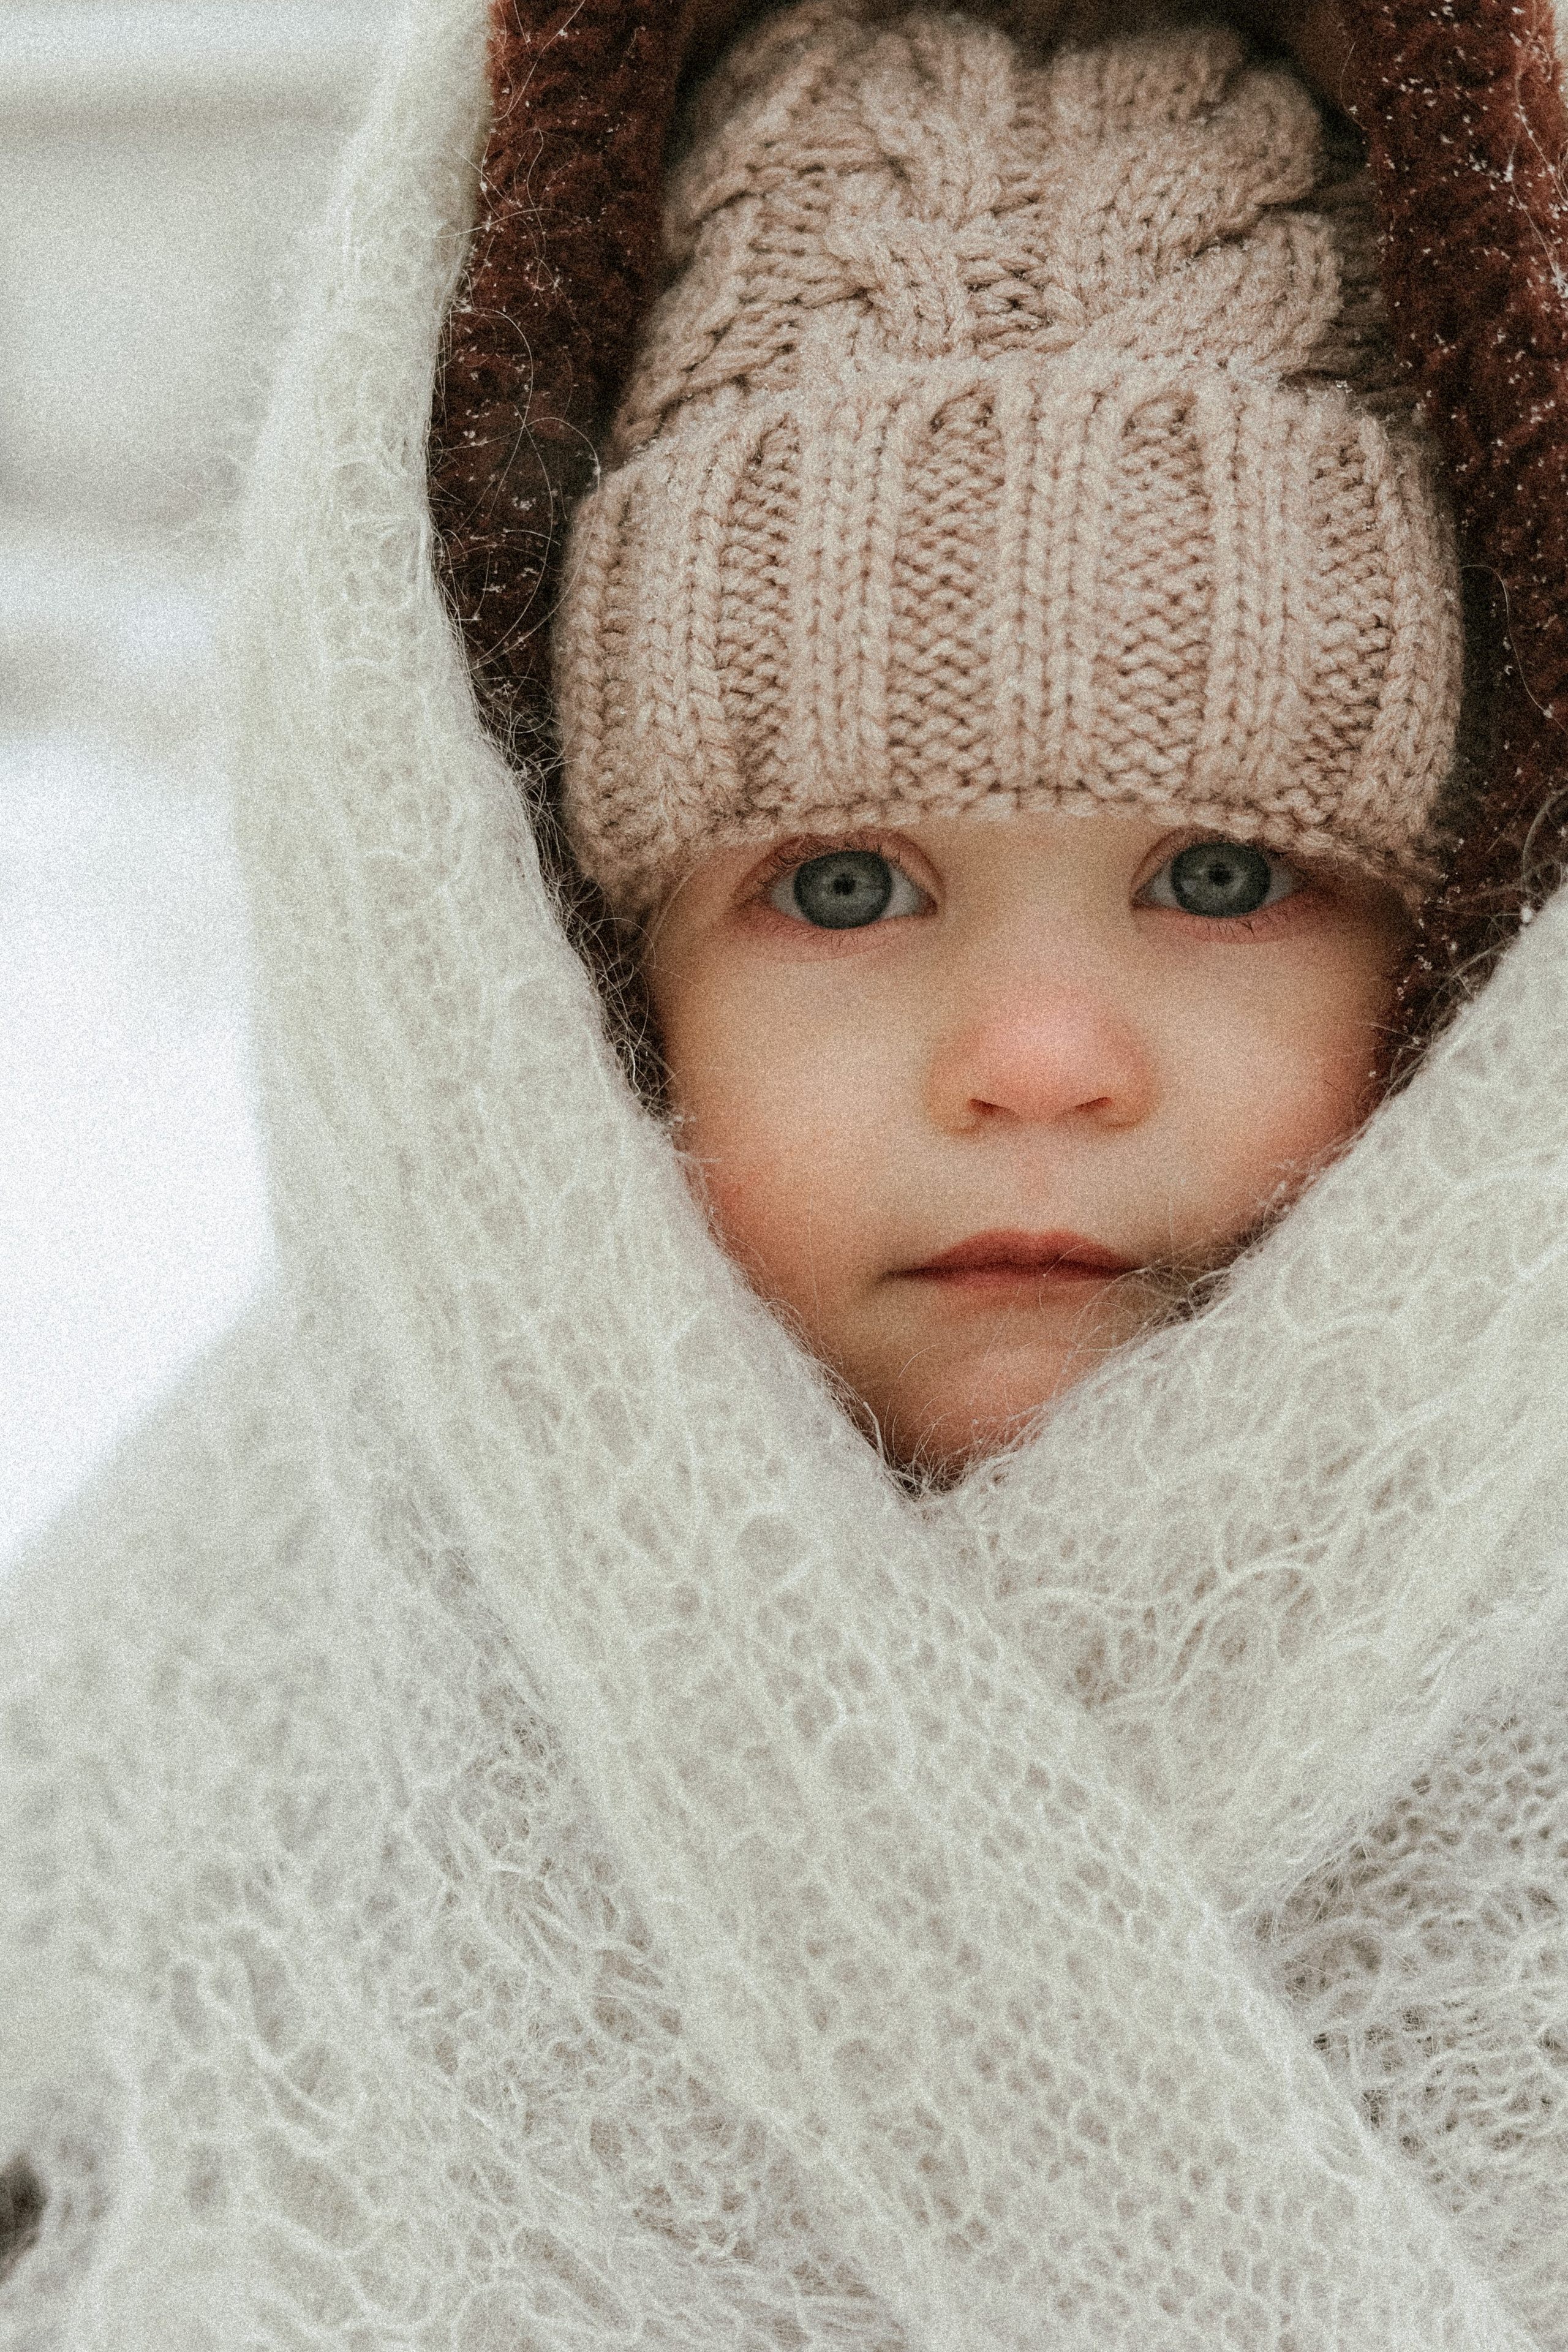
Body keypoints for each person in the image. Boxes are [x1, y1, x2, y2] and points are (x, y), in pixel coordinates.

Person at [4, 0, 1568, 2342]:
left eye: (1228, 877)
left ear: (1471, 959)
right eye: (844, 887)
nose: (1040, 1058)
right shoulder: (224, 1707)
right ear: (570, 992)